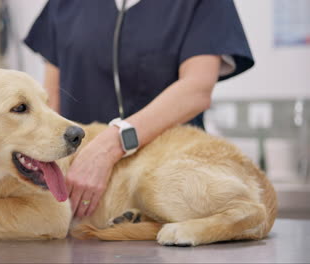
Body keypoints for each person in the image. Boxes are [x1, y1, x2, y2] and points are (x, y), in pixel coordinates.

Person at [24, 0, 254, 218]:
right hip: (80, 190)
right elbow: (52, 98)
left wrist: (109, 146)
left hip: (172, 183)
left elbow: (196, 90)